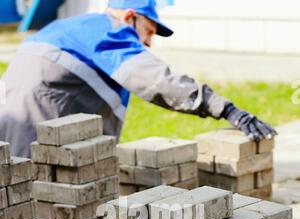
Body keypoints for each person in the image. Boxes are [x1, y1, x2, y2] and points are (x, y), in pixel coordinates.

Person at [0, 0, 276, 158]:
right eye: (149, 31)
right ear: (130, 17)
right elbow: (158, 81)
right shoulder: (111, 32)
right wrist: (226, 109)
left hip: (10, 122)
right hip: (34, 131)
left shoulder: (74, 27)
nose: (148, 42)